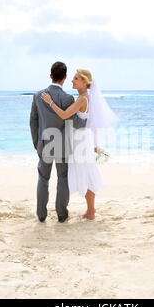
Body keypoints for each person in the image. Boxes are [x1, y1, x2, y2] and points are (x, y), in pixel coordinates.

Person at [41, 68, 118, 220]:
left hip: (80, 141)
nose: (72, 80)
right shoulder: (88, 98)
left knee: (87, 173)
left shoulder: (82, 99)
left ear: (84, 82)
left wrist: (50, 102)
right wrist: (95, 144)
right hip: (85, 139)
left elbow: (64, 115)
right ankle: (91, 210)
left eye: (76, 78)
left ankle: (90, 211)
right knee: (88, 172)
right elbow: (93, 123)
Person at [29, 61, 87, 223]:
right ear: (65, 78)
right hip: (62, 145)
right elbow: (77, 123)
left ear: (50, 76)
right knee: (62, 177)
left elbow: (33, 121)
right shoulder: (67, 98)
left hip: (44, 143)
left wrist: (36, 143)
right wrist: (87, 116)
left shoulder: (38, 95)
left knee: (43, 178)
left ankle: (41, 215)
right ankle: (62, 214)